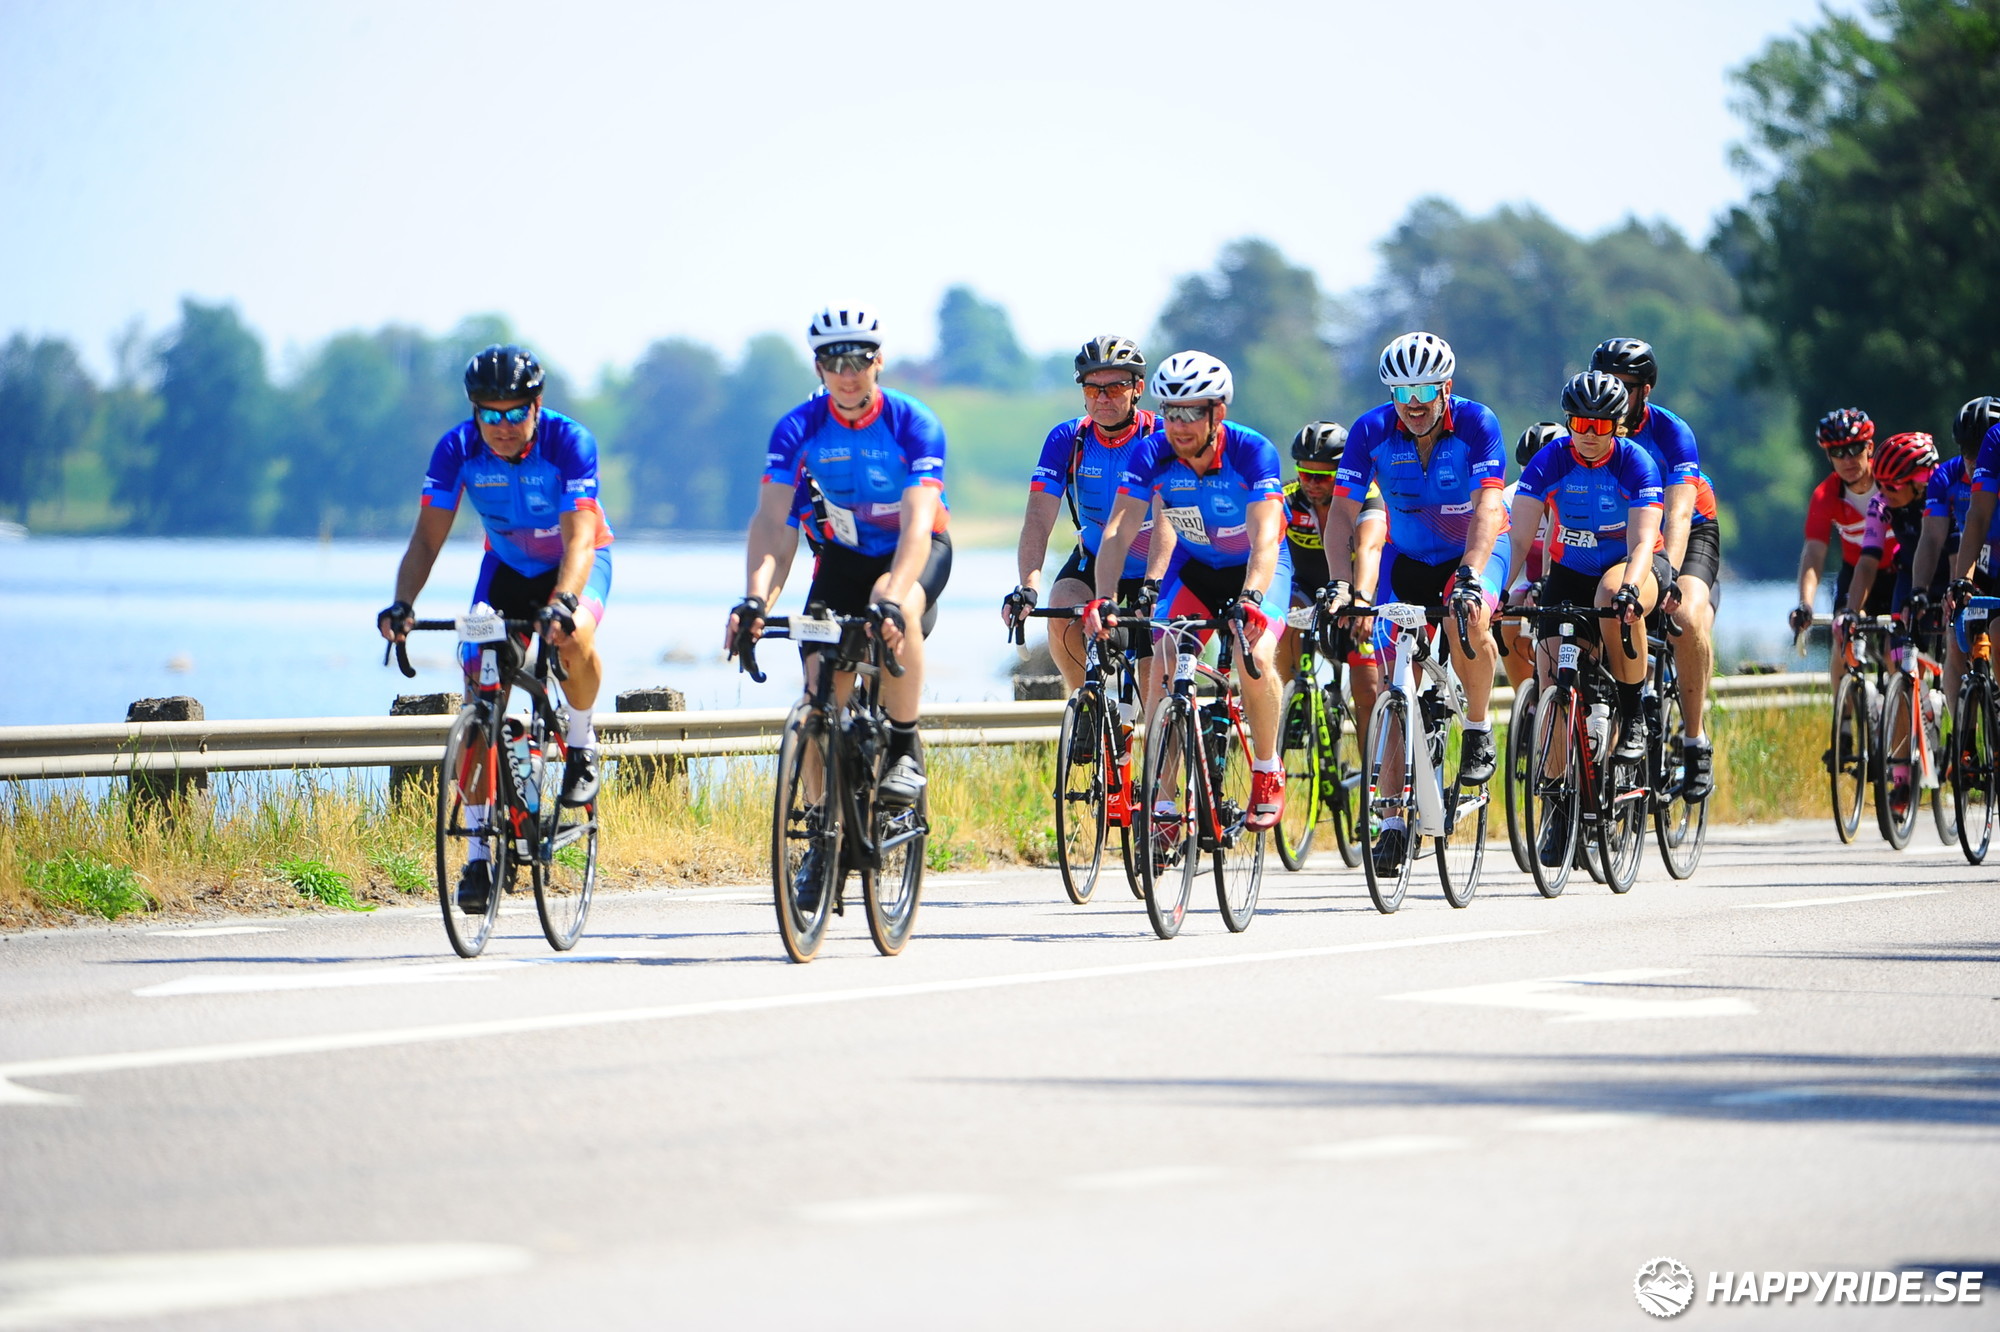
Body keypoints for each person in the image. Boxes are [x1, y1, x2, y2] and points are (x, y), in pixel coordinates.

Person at [377, 344, 614, 915]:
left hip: (575, 565)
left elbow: (580, 538)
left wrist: (564, 602)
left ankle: (581, 744)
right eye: (489, 413)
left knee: (574, 636)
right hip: (505, 570)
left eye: (514, 413)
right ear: (474, 411)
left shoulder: (569, 442)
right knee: (478, 684)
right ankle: (479, 853)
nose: (502, 426)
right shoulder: (456, 449)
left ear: (537, 405)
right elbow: (426, 540)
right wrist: (403, 603)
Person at [725, 305, 951, 813]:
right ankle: (819, 822)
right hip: (844, 560)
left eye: (858, 361)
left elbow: (918, 524)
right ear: (818, 367)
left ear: (878, 361)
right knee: (819, 695)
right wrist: (755, 601)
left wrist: (893, 598)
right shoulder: (797, 429)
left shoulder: (912, 422)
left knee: (891, 601)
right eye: (833, 363)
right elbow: (772, 527)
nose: (847, 375)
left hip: (914, 551)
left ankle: (902, 747)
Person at [1324, 331, 1510, 876]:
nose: (1414, 402)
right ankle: (1391, 822)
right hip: (1407, 559)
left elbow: (1487, 507)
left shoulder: (1476, 423)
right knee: (1393, 684)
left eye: (1425, 389)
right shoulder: (1371, 430)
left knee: (1465, 618)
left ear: (1446, 387)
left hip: (1473, 550)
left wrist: (1470, 576)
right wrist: (1340, 585)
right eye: (1402, 391)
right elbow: (1341, 515)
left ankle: (1477, 728)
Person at [1087, 351, 1291, 843]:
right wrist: (1105, 598)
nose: (1178, 425)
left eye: (1191, 412)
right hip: (1195, 568)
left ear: (1217, 412)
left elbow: (1265, 538)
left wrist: (1252, 596)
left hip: (1255, 568)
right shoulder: (1152, 453)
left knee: (1253, 655)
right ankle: (1162, 801)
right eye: (1170, 412)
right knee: (1162, 660)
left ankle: (1267, 767)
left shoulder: (1252, 451)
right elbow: (1118, 530)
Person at [1004, 336, 1174, 695]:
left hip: (1156, 565)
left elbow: (1167, 518)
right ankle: (1086, 700)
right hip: (1095, 557)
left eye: (1115, 387)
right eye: (1093, 388)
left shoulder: (1160, 436)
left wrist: (1154, 583)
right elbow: (1038, 519)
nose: (1103, 398)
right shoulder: (1067, 439)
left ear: (1137, 388)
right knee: (1061, 608)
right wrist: (1028, 586)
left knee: (1152, 682)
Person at [1591, 338, 1718, 799]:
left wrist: (1667, 577)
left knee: (1685, 616)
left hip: (1687, 529)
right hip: (1626, 532)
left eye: (1625, 386)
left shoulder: (1671, 432)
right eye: (1607, 383)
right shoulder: (1591, 425)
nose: (1615, 394)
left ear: (1646, 390)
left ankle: (1695, 739)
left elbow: (1678, 515)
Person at [1278, 421, 1383, 727]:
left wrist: (1362, 600)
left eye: (1322, 477)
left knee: (1368, 692)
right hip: (1307, 588)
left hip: (1359, 590)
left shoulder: (1366, 494)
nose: (1311, 484)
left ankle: (1369, 761)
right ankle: (1288, 704)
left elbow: (1369, 548)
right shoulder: (1288, 498)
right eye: (1304, 474)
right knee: (1282, 620)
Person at [1913, 397, 2000, 712]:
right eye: (1966, 450)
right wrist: (1925, 588)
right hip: (1979, 562)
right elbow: (1933, 538)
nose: (1973, 459)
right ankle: (1961, 733)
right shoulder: (1945, 477)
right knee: (1955, 639)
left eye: (1978, 450)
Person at [1790, 408, 1882, 688]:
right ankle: (1842, 712)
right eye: (1838, 452)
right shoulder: (1825, 496)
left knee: (1897, 653)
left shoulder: (1889, 481)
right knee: (1842, 636)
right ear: (1829, 456)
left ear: (1870, 447)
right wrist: (1805, 604)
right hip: (1855, 574)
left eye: (1855, 449)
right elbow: (1814, 553)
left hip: (1898, 569)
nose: (1848, 459)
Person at [1499, 422, 1563, 690]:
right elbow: (1507, 549)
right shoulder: (1511, 497)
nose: (1538, 481)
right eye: (1529, 472)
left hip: (1568, 577)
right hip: (1532, 581)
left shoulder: (1574, 493)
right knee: (1509, 610)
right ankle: (1526, 699)